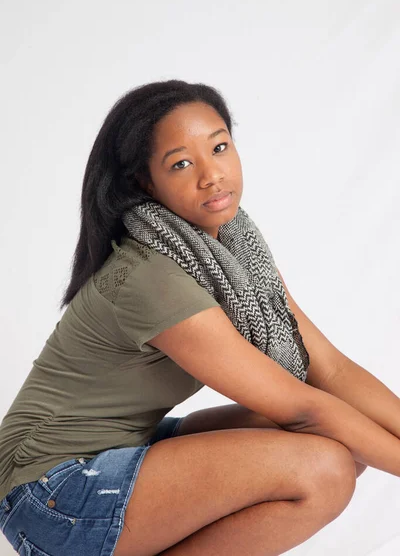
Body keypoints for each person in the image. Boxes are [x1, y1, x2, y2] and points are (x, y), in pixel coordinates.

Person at [1, 80, 398, 556]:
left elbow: (329, 369)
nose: (211, 175)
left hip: (126, 448)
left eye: (219, 147)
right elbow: (304, 407)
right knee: (324, 466)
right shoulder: (153, 276)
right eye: (181, 163)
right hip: (49, 489)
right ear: (147, 183)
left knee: (335, 443)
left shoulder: (232, 253)